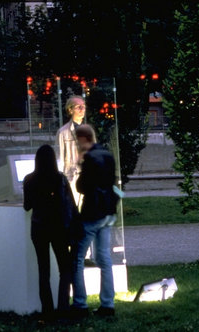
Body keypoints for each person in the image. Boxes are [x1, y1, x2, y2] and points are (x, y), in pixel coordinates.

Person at [23, 144, 76, 321]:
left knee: (43, 270)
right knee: (65, 268)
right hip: (58, 227)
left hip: (38, 228)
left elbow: (27, 206)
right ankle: (63, 308)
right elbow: (70, 204)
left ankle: (47, 310)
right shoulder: (59, 179)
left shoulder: (29, 179)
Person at [71, 124, 119, 317]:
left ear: (83, 139)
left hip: (93, 213)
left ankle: (80, 304)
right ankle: (108, 304)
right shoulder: (107, 154)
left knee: (77, 259)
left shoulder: (90, 158)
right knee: (104, 258)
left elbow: (82, 186)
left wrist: (80, 165)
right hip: (108, 211)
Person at [56, 95, 87, 205]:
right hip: (72, 176)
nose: (82, 109)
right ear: (70, 109)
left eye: (83, 106)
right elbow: (60, 157)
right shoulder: (63, 132)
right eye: (78, 107)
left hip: (86, 175)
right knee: (73, 207)